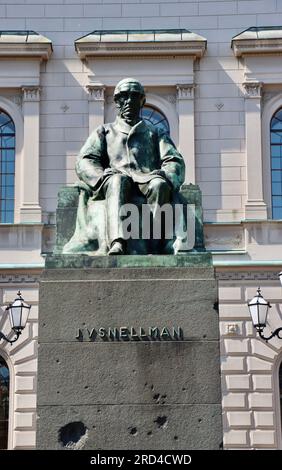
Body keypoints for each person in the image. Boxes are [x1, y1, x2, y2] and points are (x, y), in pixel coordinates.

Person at [75, 78, 185, 255]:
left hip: (146, 179)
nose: (128, 101)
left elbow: (173, 160)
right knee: (117, 181)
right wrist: (101, 175)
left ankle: (156, 244)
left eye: (134, 96)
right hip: (116, 178)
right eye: (123, 97)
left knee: (159, 185)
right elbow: (85, 160)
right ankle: (117, 242)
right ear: (117, 102)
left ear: (142, 101)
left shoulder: (155, 132)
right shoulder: (105, 131)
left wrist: (166, 175)